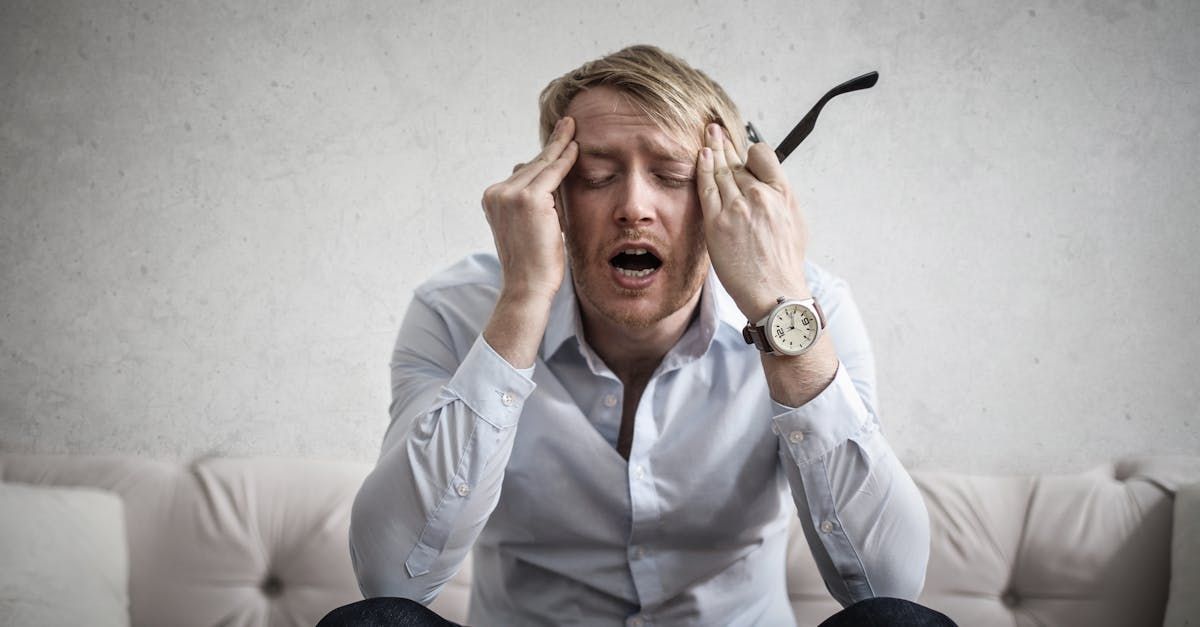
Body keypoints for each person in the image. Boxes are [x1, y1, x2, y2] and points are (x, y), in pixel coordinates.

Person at [330, 45, 953, 626]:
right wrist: (521, 302)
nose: (634, 206)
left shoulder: (812, 312)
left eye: (675, 175)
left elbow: (887, 589)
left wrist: (779, 309)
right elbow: (392, 582)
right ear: (552, 199)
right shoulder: (454, 309)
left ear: (730, 199)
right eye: (596, 176)